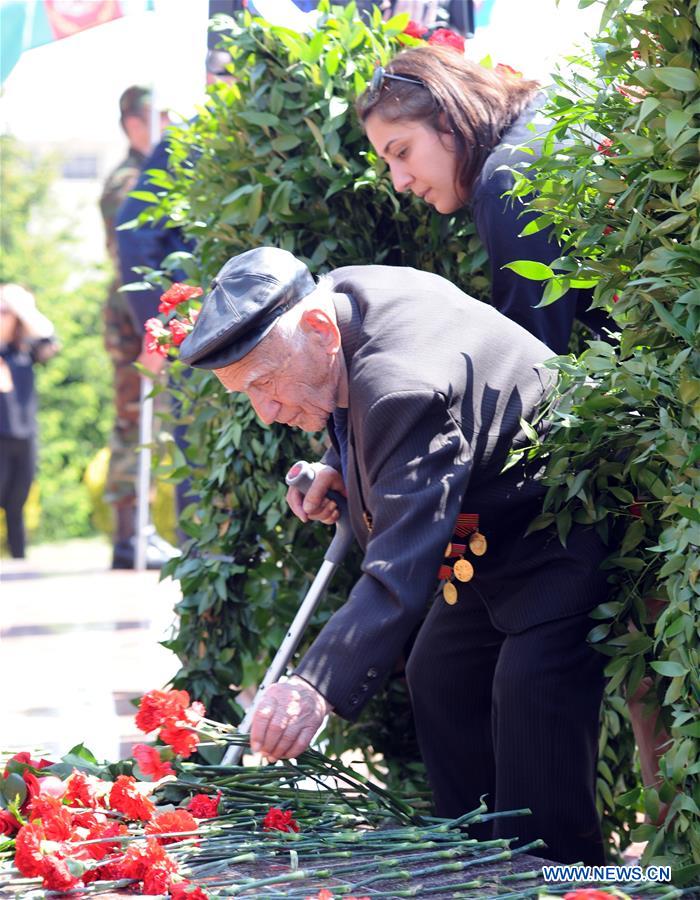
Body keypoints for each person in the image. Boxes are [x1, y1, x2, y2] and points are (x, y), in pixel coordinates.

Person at [179, 247, 610, 865]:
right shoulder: (347, 294)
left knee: (531, 704)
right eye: (248, 392)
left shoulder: (398, 384)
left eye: (265, 384)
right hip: (497, 531)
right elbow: (361, 402)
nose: (266, 413)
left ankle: (567, 875)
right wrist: (341, 464)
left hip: (565, 529)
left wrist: (313, 686)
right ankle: (476, 866)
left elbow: (400, 565)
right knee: (439, 672)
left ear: (318, 330)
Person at [355, 44, 610, 353]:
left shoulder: (506, 186)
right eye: (389, 163)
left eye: (402, 152)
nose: (399, 182)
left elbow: (529, 364)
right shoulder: (552, 103)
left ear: (448, 120)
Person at [101, 85, 177, 569]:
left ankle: (136, 533)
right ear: (135, 122)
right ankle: (130, 536)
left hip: (145, 308)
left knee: (148, 418)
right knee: (135, 419)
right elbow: (132, 248)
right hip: (134, 315)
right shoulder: (128, 180)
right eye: (159, 117)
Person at [0, 284, 58, 558]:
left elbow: (49, 339)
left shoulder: (24, 351)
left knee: (18, 500)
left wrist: (23, 306)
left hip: (24, 434)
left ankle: (18, 558)